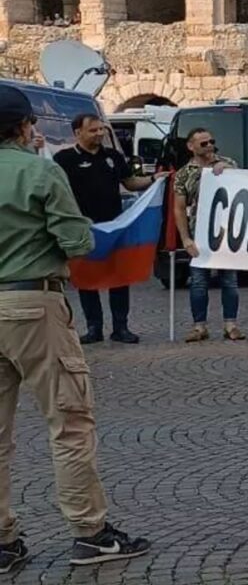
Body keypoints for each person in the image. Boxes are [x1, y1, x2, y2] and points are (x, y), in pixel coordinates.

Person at [0, 86, 152, 570]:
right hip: (32, 302)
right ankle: (89, 532)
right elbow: (75, 239)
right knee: (68, 423)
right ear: (25, 127)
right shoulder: (40, 170)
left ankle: (3, 543)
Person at [53, 113, 154, 344]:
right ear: (77, 132)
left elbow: (130, 183)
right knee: (86, 278)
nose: (99, 134)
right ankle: (93, 328)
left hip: (114, 227)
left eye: (101, 130)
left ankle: (121, 327)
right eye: (93, 130)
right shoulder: (64, 159)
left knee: (119, 277)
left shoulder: (113, 156)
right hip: (84, 228)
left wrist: (154, 179)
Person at [173, 128, 245, 343]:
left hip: (226, 232)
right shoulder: (184, 174)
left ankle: (230, 324)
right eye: (203, 143)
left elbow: (244, 185)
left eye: (211, 141)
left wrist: (229, 169)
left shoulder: (227, 162)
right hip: (199, 234)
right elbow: (179, 208)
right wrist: (185, 239)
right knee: (198, 282)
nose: (209, 146)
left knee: (230, 281)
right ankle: (199, 326)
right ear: (191, 146)